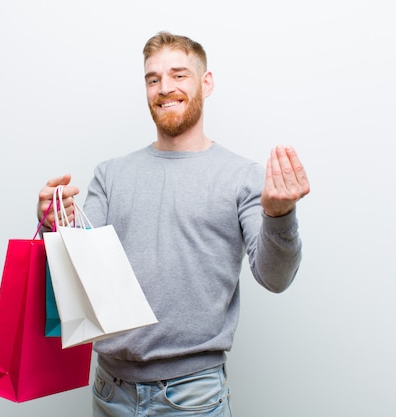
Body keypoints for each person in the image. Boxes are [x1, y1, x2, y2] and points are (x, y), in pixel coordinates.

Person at [37, 31, 310, 417]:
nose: (165, 88)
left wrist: (279, 217)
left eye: (179, 75)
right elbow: (79, 279)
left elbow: (275, 278)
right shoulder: (110, 175)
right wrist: (54, 225)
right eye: (153, 78)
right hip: (108, 390)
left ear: (206, 82)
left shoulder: (242, 176)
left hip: (192, 398)